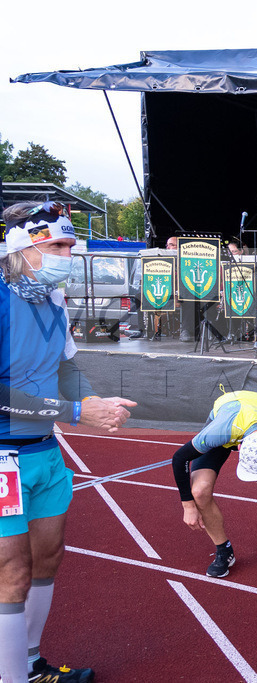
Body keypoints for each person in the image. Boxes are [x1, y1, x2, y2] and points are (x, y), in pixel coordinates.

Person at [1, 201, 137, 683]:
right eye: (57, 245)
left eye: (70, 246)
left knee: (48, 557)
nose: (66, 254)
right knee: (11, 574)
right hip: (3, 456)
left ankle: (31, 662)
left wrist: (96, 401)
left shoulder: (53, 301)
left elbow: (64, 367)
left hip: (44, 450)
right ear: (24, 246)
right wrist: (77, 413)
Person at [171, 390, 257, 577]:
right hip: (230, 413)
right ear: (238, 447)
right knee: (199, 491)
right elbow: (179, 458)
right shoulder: (218, 433)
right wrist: (188, 504)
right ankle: (223, 550)